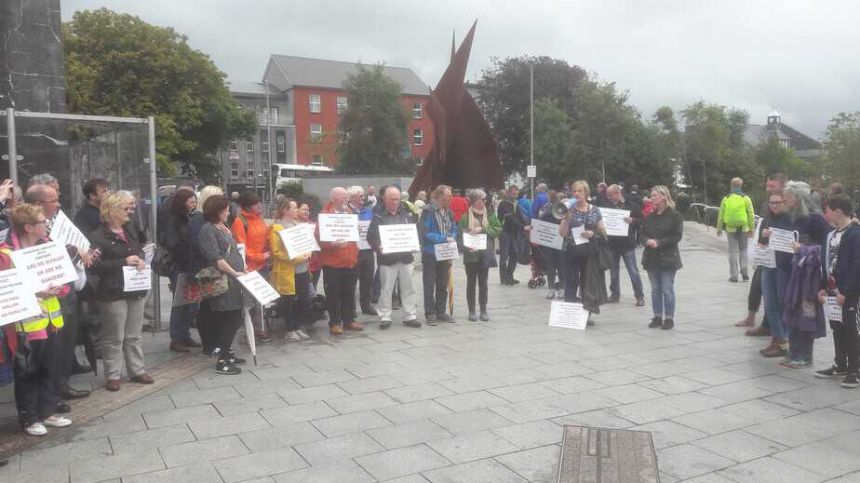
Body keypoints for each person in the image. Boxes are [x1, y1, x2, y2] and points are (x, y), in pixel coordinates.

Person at [5, 204, 72, 436]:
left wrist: (60, 288)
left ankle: (48, 411)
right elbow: (6, 291)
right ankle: (30, 418)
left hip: (52, 323)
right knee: (27, 373)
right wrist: (35, 293)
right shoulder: (6, 254)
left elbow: (64, 283)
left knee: (50, 368)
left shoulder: (48, 247)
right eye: (43, 222)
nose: (47, 225)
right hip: (25, 326)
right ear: (28, 227)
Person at [88, 191, 153, 391]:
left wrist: (141, 257)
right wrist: (122, 262)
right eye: (126, 208)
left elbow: (139, 248)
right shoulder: (97, 236)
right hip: (112, 291)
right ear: (113, 210)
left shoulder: (130, 229)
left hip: (134, 287)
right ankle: (113, 374)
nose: (130, 212)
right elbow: (94, 266)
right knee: (114, 335)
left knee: (134, 334)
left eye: (131, 208)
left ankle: (137, 369)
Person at [776, 181, 829, 368]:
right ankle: (794, 351)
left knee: (806, 313)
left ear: (798, 198)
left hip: (809, 277)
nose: (784, 199)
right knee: (791, 311)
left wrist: (804, 249)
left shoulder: (816, 219)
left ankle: (806, 356)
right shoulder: (794, 218)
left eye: (788, 196)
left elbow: (826, 249)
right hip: (793, 274)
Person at [198, 195, 247, 375]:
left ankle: (228, 353)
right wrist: (235, 273)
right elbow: (216, 258)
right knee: (230, 319)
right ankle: (223, 360)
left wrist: (242, 269)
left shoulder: (223, 227)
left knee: (234, 318)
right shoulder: (208, 230)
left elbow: (234, 251)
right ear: (216, 211)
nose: (228, 212)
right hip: (223, 280)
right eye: (225, 209)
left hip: (234, 280)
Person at [815, 194, 860, 387]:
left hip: (849, 294)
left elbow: (856, 265)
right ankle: (840, 363)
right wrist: (823, 287)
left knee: (852, 330)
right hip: (833, 292)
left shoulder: (855, 234)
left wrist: (847, 291)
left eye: (828, 210)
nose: (826, 214)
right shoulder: (831, 235)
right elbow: (825, 263)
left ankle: (854, 370)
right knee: (837, 327)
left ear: (838, 211)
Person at [366, 186, 420, 329]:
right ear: (385, 199)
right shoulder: (378, 217)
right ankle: (385, 317)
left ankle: (410, 316)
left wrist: (415, 244)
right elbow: (370, 237)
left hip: (406, 258)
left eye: (397, 199)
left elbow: (414, 233)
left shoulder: (407, 215)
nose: (395, 202)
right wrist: (378, 247)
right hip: (387, 260)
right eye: (392, 199)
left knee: (409, 288)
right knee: (386, 289)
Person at [739, 173, 787, 333]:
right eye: (767, 186)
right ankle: (755, 318)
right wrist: (760, 242)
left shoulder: (787, 209)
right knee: (758, 286)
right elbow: (764, 224)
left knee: (773, 295)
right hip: (765, 254)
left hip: (779, 259)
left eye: (771, 186)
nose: (767, 189)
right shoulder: (767, 205)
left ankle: (774, 330)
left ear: (782, 186)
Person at [317, 187, 361, 335]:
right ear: (334, 199)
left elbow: (353, 237)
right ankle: (334, 322)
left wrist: (357, 230)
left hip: (350, 261)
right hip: (333, 263)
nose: (346, 200)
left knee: (349, 292)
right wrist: (332, 244)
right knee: (333, 294)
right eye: (343, 197)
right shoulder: (324, 216)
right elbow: (319, 240)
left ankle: (348, 320)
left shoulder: (349, 214)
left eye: (347, 197)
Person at [230, 191, 271, 341]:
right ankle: (252, 330)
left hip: (262, 265)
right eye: (256, 204)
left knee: (260, 299)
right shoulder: (240, 222)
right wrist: (260, 256)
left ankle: (260, 328)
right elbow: (241, 247)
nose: (259, 206)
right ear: (248, 206)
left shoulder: (259, 219)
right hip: (249, 267)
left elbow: (265, 238)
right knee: (249, 301)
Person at [269, 198, 312, 342]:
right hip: (286, 270)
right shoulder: (276, 228)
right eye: (294, 208)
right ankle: (290, 328)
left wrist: (309, 250)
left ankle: (297, 326)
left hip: (302, 269)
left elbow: (306, 242)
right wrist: (298, 258)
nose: (297, 210)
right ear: (285, 210)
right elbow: (277, 252)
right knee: (287, 300)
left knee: (305, 299)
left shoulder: (298, 225)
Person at [642, 185, 683, 330]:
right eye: (651, 196)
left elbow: (677, 236)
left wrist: (659, 242)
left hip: (668, 258)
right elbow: (642, 233)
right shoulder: (650, 216)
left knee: (667, 289)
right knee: (655, 289)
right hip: (651, 257)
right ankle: (657, 316)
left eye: (654, 196)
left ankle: (669, 318)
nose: (651, 198)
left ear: (664, 196)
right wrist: (646, 240)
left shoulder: (675, 215)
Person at [558, 180, 605, 305]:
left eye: (580, 191)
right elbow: (562, 233)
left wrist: (592, 233)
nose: (577, 193)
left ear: (586, 193)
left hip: (588, 252)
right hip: (571, 251)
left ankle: (586, 314)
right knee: (571, 282)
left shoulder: (594, 210)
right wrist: (567, 220)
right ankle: (571, 313)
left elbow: (603, 232)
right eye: (574, 191)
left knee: (587, 283)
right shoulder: (568, 209)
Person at [165, 189, 201, 352]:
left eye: (195, 201)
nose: (194, 204)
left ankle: (185, 334)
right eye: (191, 201)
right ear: (182, 202)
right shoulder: (174, 219)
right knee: (180, 303)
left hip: (190, 266)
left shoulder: (189, 217)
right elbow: (174, 244)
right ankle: (176, 337)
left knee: (191, 303)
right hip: (180, 266)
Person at [458, 189, 502, 321]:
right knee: (471, 283)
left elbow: (498, 228)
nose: (482, 202)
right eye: (479, 200)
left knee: (484, 283)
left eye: (483, 200)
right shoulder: (466, 215)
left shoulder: (490, 214)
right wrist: (467, 235)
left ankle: (483, 309)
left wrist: (482, 229)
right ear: (473, 201)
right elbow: (460, 233)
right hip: (471, 254)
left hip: (485, 254)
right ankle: (471, 310)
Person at [419, 184, 459, 324]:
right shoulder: (428, 211)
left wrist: (453, 236)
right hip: (430, 252)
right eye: (449, 196)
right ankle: (430, 313)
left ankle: (440, 311)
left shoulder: (449, 211)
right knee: (429, 284)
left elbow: (454, 227)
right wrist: (444, 238)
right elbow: (425, 233)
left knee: (443, 283)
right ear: (440, 197)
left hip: (445, 252)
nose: (451, 198)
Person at [604, 184, 645, 306]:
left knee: (633, 271)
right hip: (612, 244)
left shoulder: (632, 206)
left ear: (617, 193)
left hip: (627, 244)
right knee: (613, 272)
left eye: (610, 195)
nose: (608, 197)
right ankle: (615, 294)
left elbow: (642, 221)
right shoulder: (607, 207)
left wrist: (633, 221)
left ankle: (639, 296)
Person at [716, 178, 755, 282]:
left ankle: (734, 275)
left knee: (732, 251)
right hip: (743, 228)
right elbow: (751, 214)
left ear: (731, 185)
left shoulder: (726, 198)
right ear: (741, 185)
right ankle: (745, 272)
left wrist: (719, 228)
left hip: (730, 229)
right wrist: (752, 228)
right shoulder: (746, 198)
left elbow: (721, 215)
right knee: (743, 250)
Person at [349, 186, 377, 316]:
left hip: (367, 249)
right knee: (352, 279)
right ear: (352, 197)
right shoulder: (346, 212)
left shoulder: (368, 211)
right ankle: (351, 307)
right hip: (353, 250)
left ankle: (366, 305)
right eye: (360, 196)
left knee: (368, 278)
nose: (363, 197)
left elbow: (374, 228)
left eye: (363, 195)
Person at [497, 185, 526, 285]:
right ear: (508, 193)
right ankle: (503, 278)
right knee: (504, 256)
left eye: (517, 194)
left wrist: (528, 226)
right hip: (505, 232)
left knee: (515, 254)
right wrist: (523, 227)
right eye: (514, 194)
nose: (516, 196)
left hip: (514, 233)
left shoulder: (516, 204)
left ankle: (510, 276)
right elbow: (510, 218)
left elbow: (520, 217)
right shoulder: (503, 204)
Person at [539, 190, 565, 299]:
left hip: (560, 240)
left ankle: (562, 289)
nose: (552, 198)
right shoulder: (546, 207)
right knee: (550, 266)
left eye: (554, 197)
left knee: (561, 266)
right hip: (549, 240)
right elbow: (541, 219)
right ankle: (551, 289)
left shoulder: (562, 207)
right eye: (551, 197)